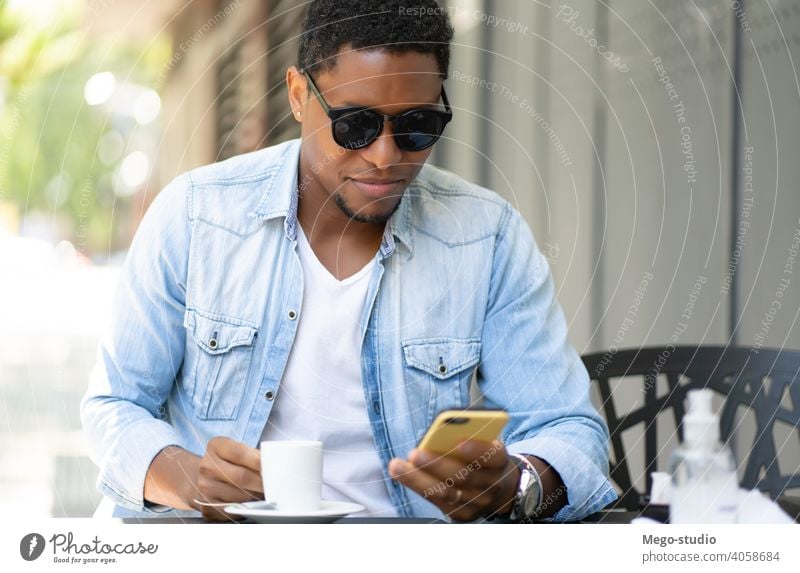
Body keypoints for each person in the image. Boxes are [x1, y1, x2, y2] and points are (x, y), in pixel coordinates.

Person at [80, 0, 616, 523]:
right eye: (355, 125)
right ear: (297, 94)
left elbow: (568, 429)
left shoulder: (486, 236)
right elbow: (114, 406)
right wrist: (184, 476)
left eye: (417, 125)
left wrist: (519, 485)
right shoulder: (197, 215)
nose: (385, 156)